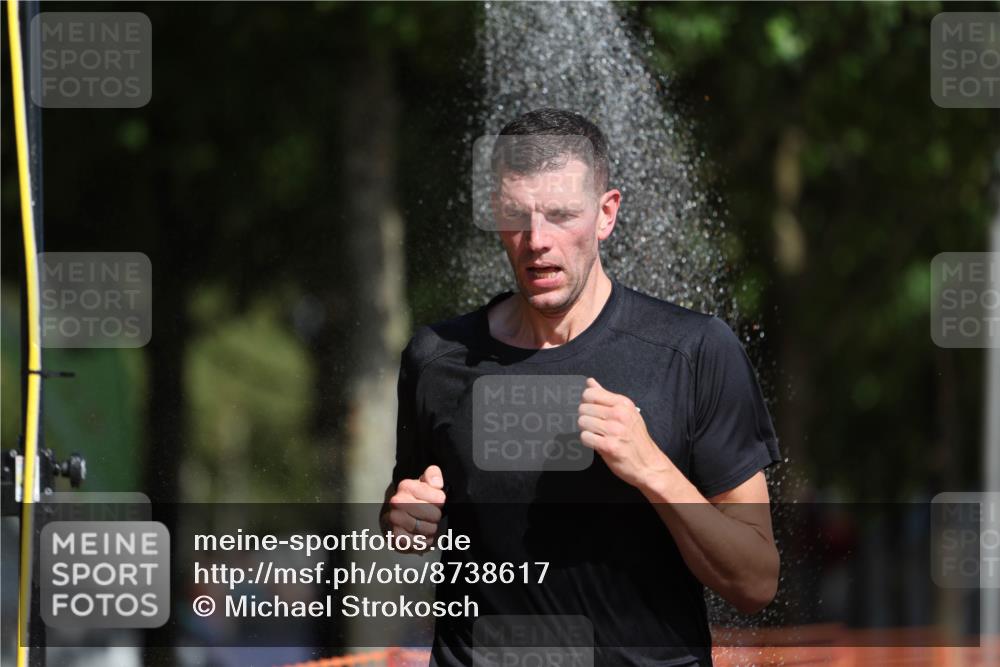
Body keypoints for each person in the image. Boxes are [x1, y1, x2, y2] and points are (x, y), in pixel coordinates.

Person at [380, 108, 782, 666]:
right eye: (517, 215)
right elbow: (411, 514)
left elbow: (756, 581)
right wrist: (403, 523)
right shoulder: (436, 360)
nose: (536, 240)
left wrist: (651, 467)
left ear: (606, 214)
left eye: (561, 215)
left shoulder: (695, 352)